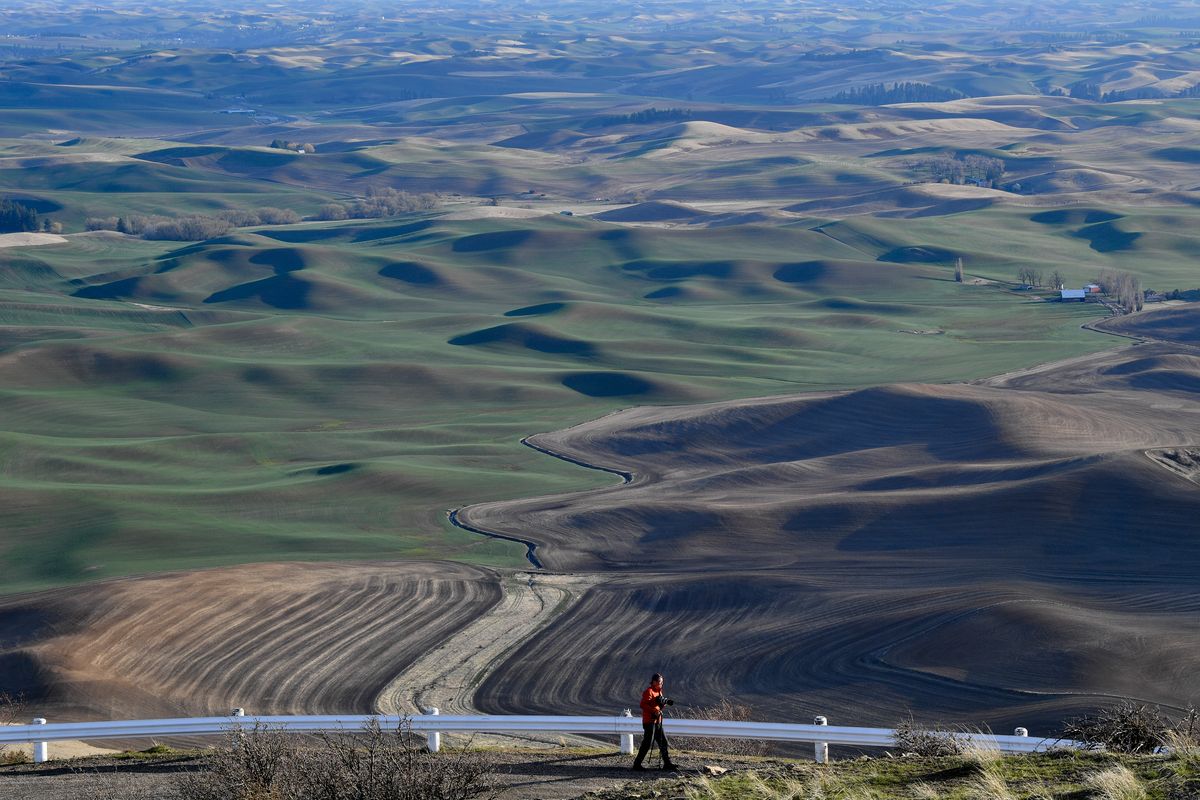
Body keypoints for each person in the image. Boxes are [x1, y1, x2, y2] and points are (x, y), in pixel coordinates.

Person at [632, 672, 678, 771]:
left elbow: (658, 705)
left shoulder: (659, 692)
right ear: (654, 682)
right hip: (649, 721)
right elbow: (643, 705)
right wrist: (655, 711)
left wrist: (662, 704)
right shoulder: (648, 691)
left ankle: (667, 764)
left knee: (663, 742)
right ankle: (637, 764)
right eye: (660, 682)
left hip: (658, 721)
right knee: (647, 743)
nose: (661, 684)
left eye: (662, 683)